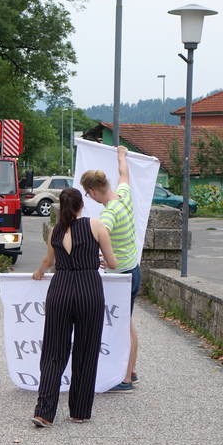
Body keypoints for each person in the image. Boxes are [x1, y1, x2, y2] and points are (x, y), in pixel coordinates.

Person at [30, 187, 118, 427]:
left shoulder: (55, 231)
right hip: (88, 289)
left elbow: (48, 261)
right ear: (82, 204)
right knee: (86, 350)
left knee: (53, 352)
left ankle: (44, 412)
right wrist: (98, 260)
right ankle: (79, 411)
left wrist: (38, 272)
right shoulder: (96, 225)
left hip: (60, 289)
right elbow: (112, 262)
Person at [81, 145, 140, 394]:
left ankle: (125, 379)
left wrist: (101, 257)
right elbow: (124, 174)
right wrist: (121, 155)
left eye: (88, 194)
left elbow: (97, 237)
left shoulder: (108, 215)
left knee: (124, 327)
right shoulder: (123, 195)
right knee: (126, 322)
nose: (89, 198)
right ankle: (130, 369)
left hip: (120, 278)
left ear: (94, 191)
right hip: (133, 270)